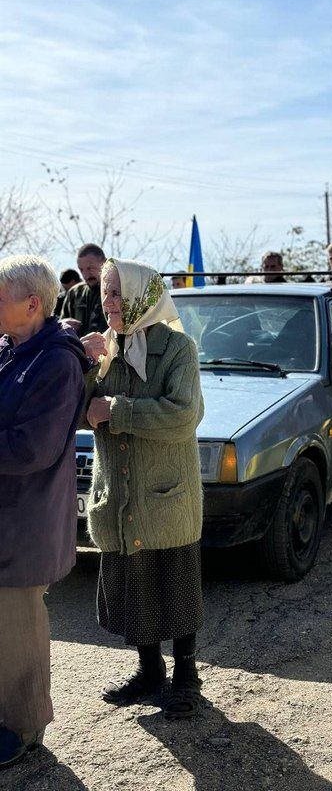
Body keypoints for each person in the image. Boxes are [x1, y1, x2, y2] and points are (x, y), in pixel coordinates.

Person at [83, 258, 204, 719]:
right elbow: (77, 411)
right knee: (136, 588)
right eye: (105, 292)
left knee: (175, 586)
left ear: (141, 297)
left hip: (166, 497)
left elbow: (182, 415)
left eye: (116, 293)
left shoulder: (179, 349)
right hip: (119, 497)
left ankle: (187, 676)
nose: (108, 302)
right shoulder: (105, 351)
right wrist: (80, 361)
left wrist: (116, 409)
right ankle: (151, 672)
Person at [0, 255, 88, 768]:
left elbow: (34, 447)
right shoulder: (11, 348)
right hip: (6, 515)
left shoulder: (55, 361)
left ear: (32, 303)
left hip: (25, 520)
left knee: (18, 627)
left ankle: (25, 728)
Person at [60, 243, 108, 335]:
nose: (85, 275)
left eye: (90, 268)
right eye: (81, 269)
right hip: (78, 348)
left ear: (105, 263)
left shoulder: (118, 291)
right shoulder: (75, 293)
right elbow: (61, 327)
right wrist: (62, 325)